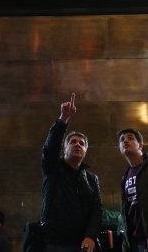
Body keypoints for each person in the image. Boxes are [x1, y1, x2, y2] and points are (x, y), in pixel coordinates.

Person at [40, 93, 102, 252]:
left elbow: (96, 210)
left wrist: (91, 236)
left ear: (85, 150)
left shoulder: (91, 178)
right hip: (55, 244)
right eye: (73, 142)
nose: (77, 145)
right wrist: (63, 119)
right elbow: (50, 148)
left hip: (82, 244)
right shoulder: (53, 169)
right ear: (65, 148)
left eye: (82, 143)